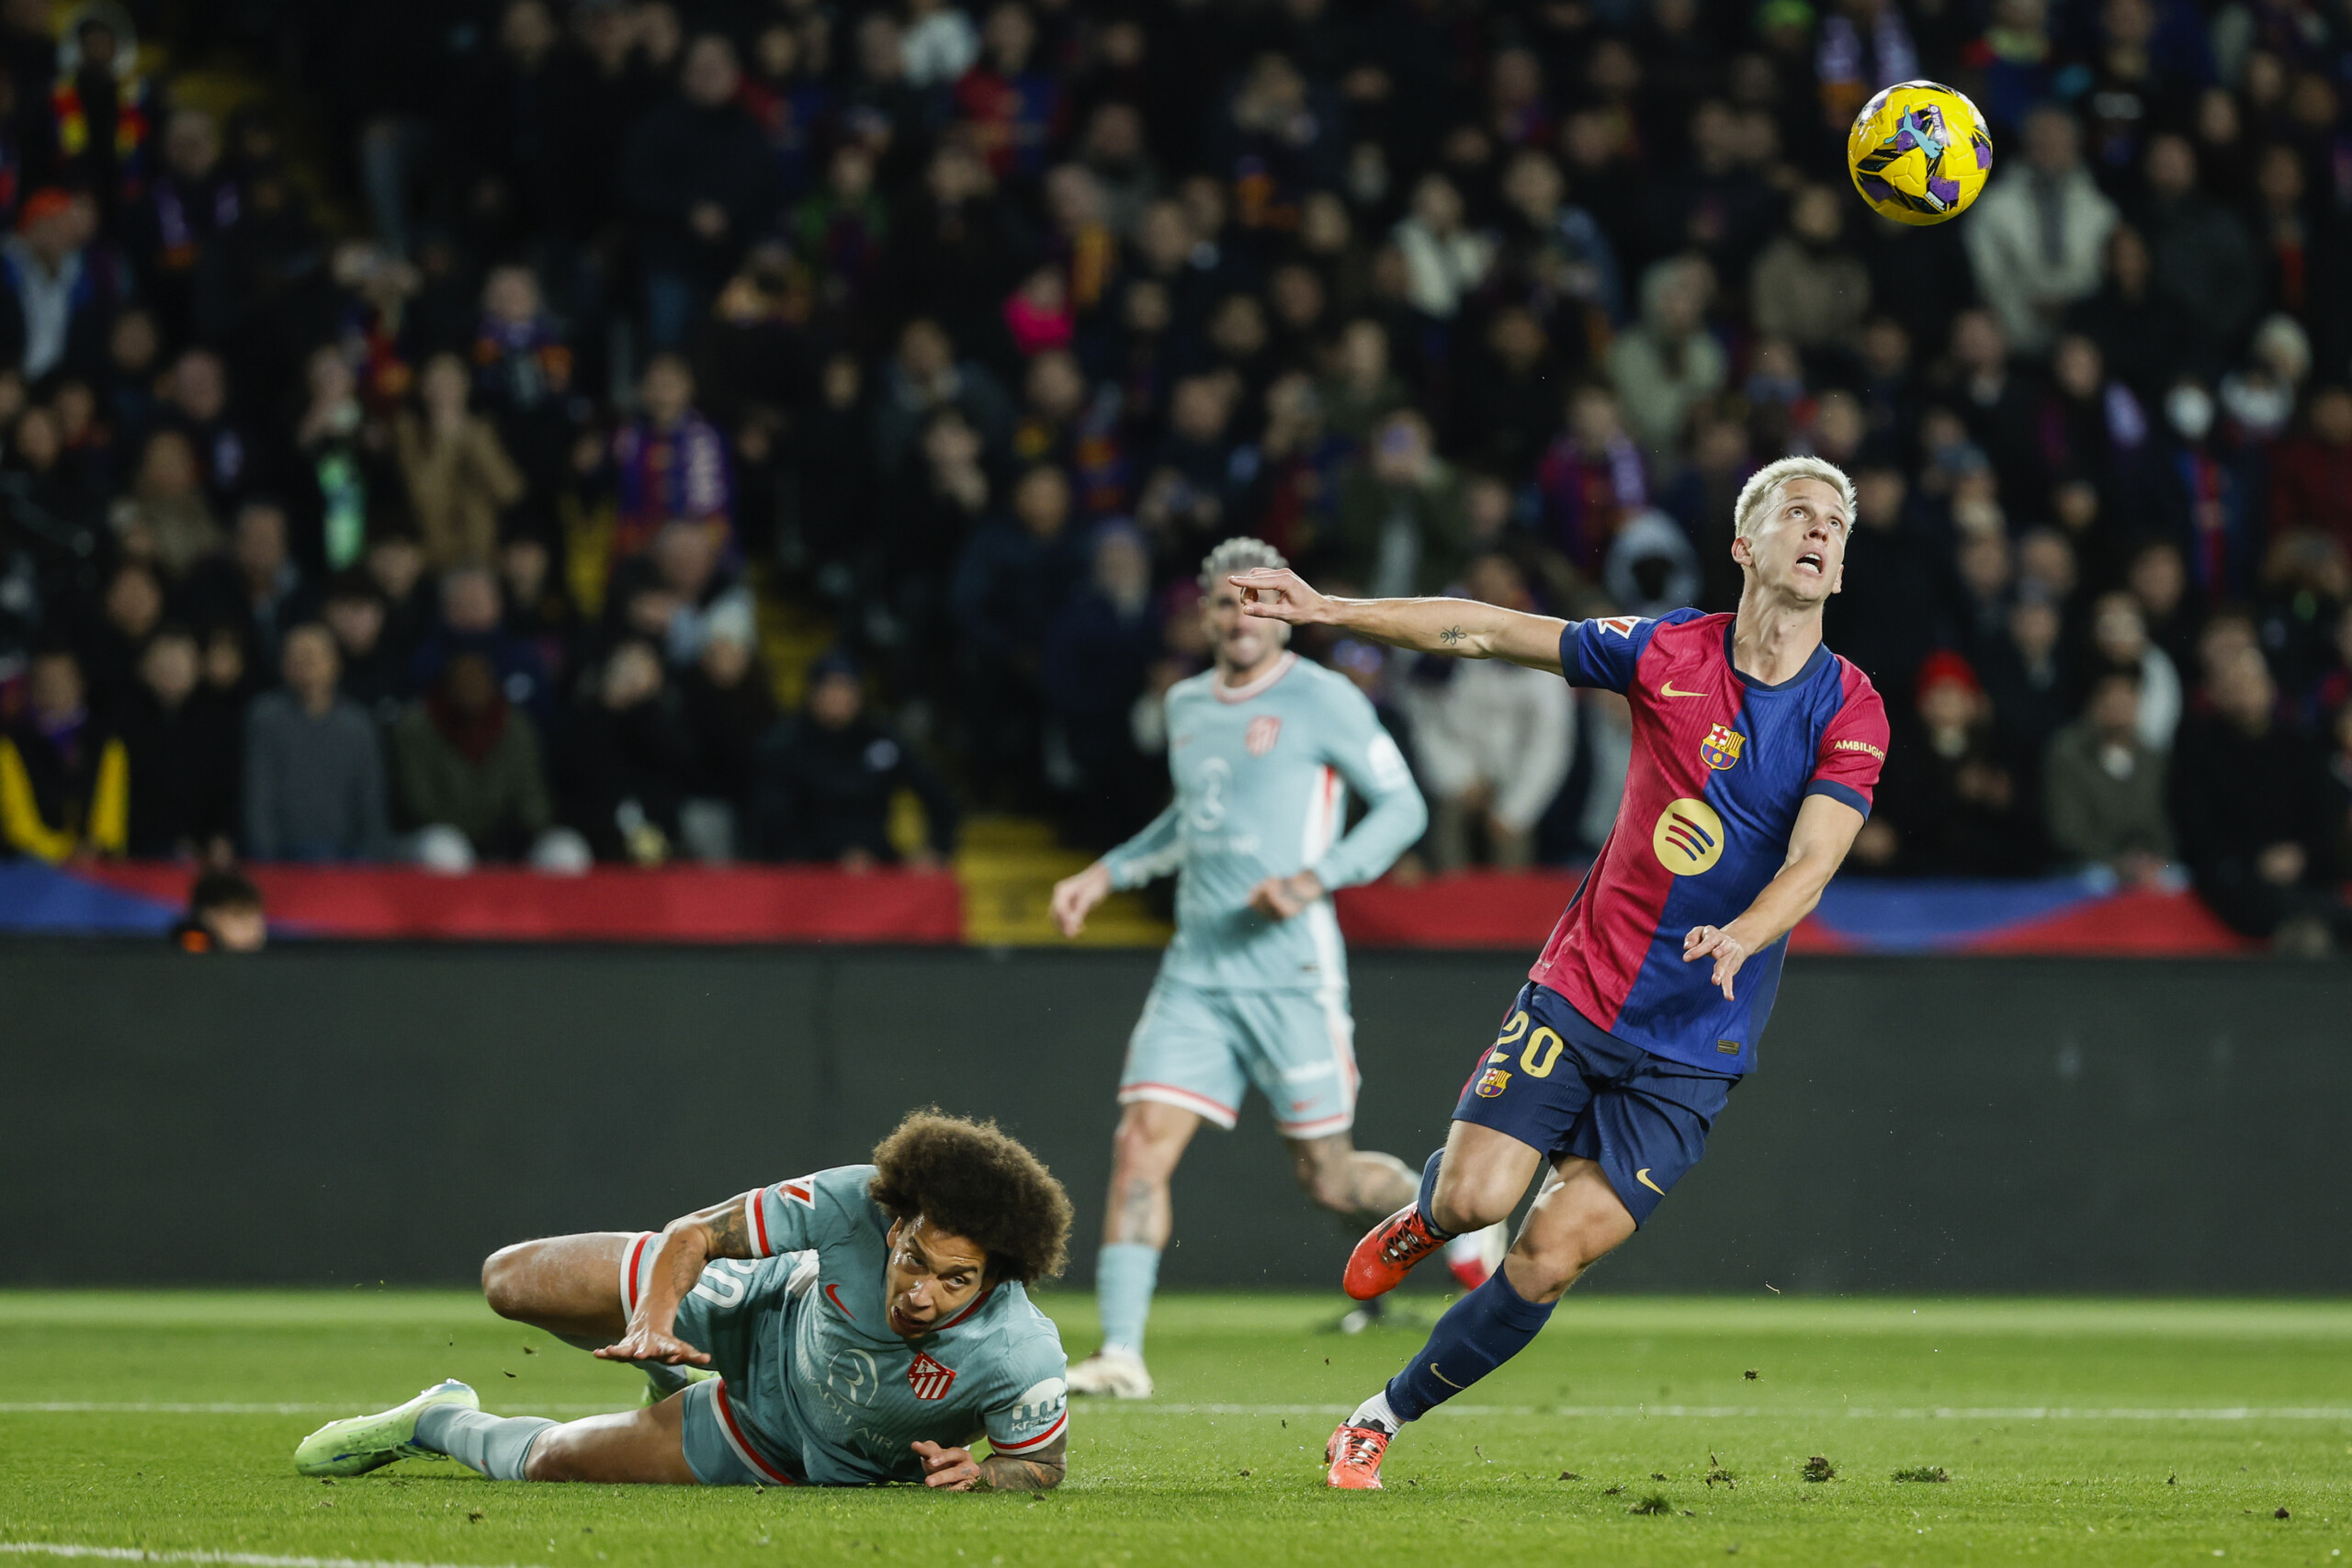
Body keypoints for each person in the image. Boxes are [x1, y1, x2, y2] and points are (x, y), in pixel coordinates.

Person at [1227, 455, 1888, 1488]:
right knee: (1475, 1204)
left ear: (1839, 570)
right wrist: (1328, 608)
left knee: (1545, 1257)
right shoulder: (1666, 649)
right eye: (1796, 513)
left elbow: (1813, 860)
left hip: (1695, 1039)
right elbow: (1485, 628)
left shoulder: (1849, 708)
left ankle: (1378, 1418)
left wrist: (1746, 934)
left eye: (1835, 525)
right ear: (1743, 544)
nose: (1818, 531)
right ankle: (1426, 1215)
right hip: (1585, 987)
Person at [1048, 537, 1497, 1402]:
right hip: (1197, 971)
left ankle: (1455, 1213)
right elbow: (1192, 818)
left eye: (1258, 600)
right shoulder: (1186, 705)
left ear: (1284, 611)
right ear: (1206, 613)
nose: (1240, 616)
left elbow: (1402, 805)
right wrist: (1106, 872)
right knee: (1139, 1145)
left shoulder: (1323, 698)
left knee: (1328, 1179)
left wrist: (1313, 878)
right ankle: (1121, 1351)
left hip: (1292, 973)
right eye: (1225, 601)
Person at [293, 1110, 1074, 1492]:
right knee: (511, 1280)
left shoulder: (1020, 1354)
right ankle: (667, 1365)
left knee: (550, 1463)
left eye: (955, 1280)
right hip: (760, 1312)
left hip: (775, 1440)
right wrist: (653, 1321)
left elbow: (1039, 1461)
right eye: (913, 1260)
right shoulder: (851, 1201)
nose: (923, 1292)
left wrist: (983, 1474)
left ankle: (438, 1416)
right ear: (897, 1223)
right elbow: (694, 1235)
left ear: (997, 1276)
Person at [242, 622, 389, 862]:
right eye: (295, 656)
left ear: (335, 663)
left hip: (348, 860)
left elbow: (371, 802)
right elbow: (259, 799)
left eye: (312, 656)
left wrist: (371, 862)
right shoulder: (265, 718)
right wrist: (266, 861)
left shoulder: (358, 725)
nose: (303, 663)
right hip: (285, 858)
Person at [168, 866, 266, 953]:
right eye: (239, 916)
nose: (252, 928)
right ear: (208, 916)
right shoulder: (185, 954)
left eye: (255, 916)